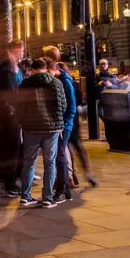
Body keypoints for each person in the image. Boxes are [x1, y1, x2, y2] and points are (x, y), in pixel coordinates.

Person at [17, 57, 65, 208]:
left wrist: (24, 123)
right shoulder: (56, 83)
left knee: (29, 162)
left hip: (31, 128)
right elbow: (62, 105)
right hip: (52, 130)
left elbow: (20, 108)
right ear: (45, 68)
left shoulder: (25, 84)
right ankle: (47, 198)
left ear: (32, 69)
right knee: (50, 163)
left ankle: (25, 196)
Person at [0, 42, 24, 197]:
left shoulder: (15, 68)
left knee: (16, 148)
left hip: (15, 114)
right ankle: (9, 183)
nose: (23, 52)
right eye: (21, 50)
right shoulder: (6, 69)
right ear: (13, 50)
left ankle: (12, 181)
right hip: (8, 116)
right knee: (10, 149)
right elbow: (1, 91)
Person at [50, 61, 78, 203]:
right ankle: (64, 189)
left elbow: (71, 108)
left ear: (54, 69)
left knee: (60, 158)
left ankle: (62, 189)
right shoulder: (58, 80)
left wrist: (63, 125)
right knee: (59, 157)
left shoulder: (65, 82)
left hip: (64, 127)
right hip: (58, 125)